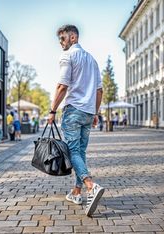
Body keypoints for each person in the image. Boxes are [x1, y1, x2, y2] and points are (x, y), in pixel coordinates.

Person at [48, 24, 104, 216]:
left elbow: (62, 86)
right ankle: (77, 192)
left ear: (73, 37)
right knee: (80, 151)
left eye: (63, 38)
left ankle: (90, 185)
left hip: (73, 111)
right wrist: (95, 113)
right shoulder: (92, 60)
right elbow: (99, 91)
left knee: (73, 152)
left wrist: (52, 110)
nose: (60, 43)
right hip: (88, 113)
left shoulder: (68, 56)